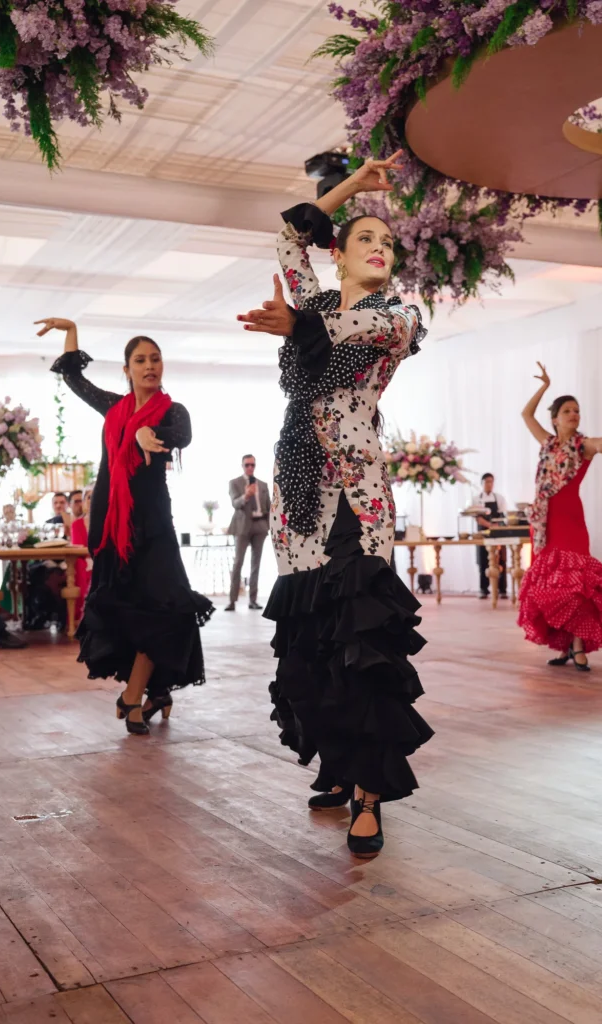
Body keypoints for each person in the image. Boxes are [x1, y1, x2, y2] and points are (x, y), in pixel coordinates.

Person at [237, 151, 433, 858]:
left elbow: (363, 335)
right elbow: (288, 238)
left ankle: (371, 796)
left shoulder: (399, 316)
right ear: (339, 255)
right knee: (313, 635)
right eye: (365, 239)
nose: (381, 249)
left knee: (364, 640)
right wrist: (355, 186)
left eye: (388, 242)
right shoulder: (313, 303)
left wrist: (300, 328)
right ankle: (338, 765)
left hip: (358, 492)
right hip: (299, 487)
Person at [36, 317, 214, 734]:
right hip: (114, 529)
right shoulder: (114, 408)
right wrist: (71, 331)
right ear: (127, 368)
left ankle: (132, 696)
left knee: (164, 610)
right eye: (140, 360)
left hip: (153, 528)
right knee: (128, 613)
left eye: (156, 359)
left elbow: (180, 435)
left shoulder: (173, 410)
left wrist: (149, 434)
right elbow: (74, 379)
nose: (150, 366)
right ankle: (157, 691)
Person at [518, 362, 602, 670]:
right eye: (567, 411)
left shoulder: (581, 445)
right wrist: (544, 386)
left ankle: (578, 646)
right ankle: (562, 645)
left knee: (575, 585)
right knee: (552, 587)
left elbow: (597, 442)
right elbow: (526, 414)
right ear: (555, 419)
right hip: (545, 521)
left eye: (577, 411)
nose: (574, 415)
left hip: (571, 521)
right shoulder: (548, 443)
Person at [226, 455, 270, 612]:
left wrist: (269, 527)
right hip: (242, 526)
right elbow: (235, 503)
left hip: (260, 526)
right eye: (247, 465)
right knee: (238, 562)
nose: (250, 467)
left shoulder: (263, 485)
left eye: (252, 465)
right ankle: (232, 601)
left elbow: (269, 506)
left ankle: (253, 600)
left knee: (256, 564)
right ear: (242, 465)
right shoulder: (235, 483)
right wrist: (246, 495)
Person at [475, 473, 508, 599]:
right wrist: (489, 525)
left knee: (501, 560)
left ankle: (502, 589)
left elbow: (502, 516)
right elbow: (478, 517)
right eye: (487, 482)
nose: (489, 484)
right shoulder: (477, 499)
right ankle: (483, 589)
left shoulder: (499, 498)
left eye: (491, 482)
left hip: (498, 533)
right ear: (482, 483)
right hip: (483, 533)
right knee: (483, 561)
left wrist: (496, 526)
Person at [70, 487, 93, 623]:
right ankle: (81, 616)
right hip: (84, 559)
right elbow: (78, 547)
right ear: (84, 502)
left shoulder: (106, 521)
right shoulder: (77, 524)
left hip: (101, 558)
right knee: (79, 564)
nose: (92, 499)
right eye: (89, 497)